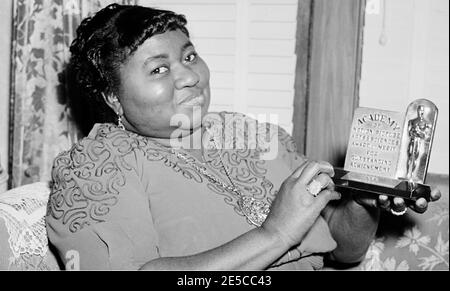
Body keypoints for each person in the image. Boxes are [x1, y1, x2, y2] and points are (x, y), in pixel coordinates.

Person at [45, 4, 441, 270]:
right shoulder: (96, 166)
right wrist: (275, 233)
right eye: (158, 70)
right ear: (112, 96)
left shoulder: (250, 134)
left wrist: (363, 202)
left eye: (188, 56)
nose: (189, 76)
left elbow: (345, 249)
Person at [406, 105, 433, 182]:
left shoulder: (426, 123)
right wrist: (415, 132)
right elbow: (410, 132)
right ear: (417, 111)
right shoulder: (412, 121)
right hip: (412, 141)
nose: (420, 112)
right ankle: (408, 174)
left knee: (415, 158)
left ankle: (412, 174)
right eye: (419, 110)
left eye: (422, 110)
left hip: (418, 142)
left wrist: (418, 132)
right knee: (410, 157)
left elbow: (425, 135)